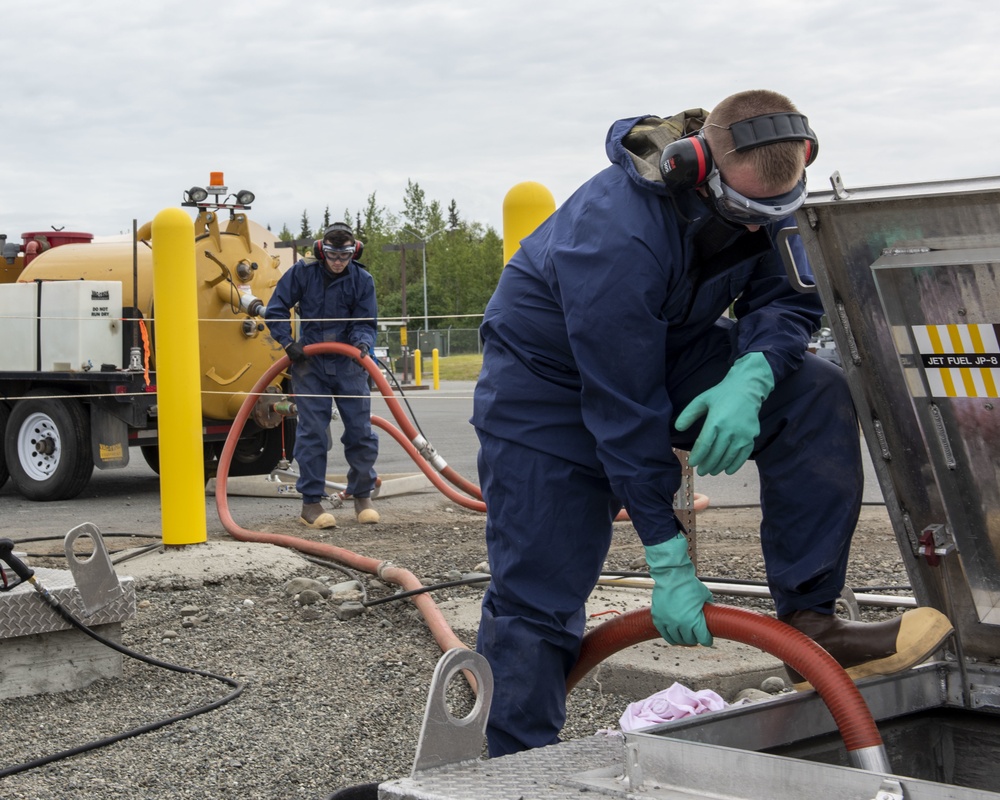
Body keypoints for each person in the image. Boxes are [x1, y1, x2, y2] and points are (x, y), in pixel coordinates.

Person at [471, 89, 953, 757]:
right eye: (745, 211)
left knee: (814, 392)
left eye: (776, 212)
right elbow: (623, 408)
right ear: (694, 168)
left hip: (669, 345)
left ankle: (812, 624)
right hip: (545, 390)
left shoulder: (769, 202)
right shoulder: (615, 233)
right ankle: (514, 765)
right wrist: (669, 561)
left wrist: (752, 374)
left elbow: (787, 297)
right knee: (539, 592)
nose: (762, 226)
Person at [265, 222, 381, 527]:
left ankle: (362, 495)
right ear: (321, 249)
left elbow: (366, 323)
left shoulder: (362, 279)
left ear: (354, 252)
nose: (338, 261)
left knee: (360, 432)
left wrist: (361, 345)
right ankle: (311, 504)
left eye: (344, 254)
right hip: (310, 363)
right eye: (332, 253)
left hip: (350, 364)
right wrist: (289, 343)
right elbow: (275, 309)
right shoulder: (302, 273)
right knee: (313, 433)